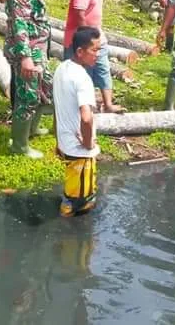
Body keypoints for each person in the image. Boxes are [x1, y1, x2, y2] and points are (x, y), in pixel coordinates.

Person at [4, 0, 55, 159]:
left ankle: (31, 130)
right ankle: (19, 146)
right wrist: (25, 57)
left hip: (37, 49)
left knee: (46, 91)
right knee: (27, 96)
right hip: (29, 51)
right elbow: (20, 23)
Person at [63, 0, 126, 114]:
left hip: (97, 37)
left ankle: (108, 104)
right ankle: (81, 109)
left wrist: (96, 39)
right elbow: (79, 13)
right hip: (81, 39)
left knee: (103, 69)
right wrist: (86, 39)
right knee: (82, 75)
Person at [54, 26, 103, 217]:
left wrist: (57, 140)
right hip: (79, 149)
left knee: (73, 188)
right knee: (78, 201)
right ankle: (72, 240)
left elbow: (58, 107)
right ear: (80, 51)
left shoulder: (61, 68)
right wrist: (88, 143)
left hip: (65, 142)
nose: (97, 55)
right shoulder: (82, 79)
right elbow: (86, 117)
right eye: (94, 50)